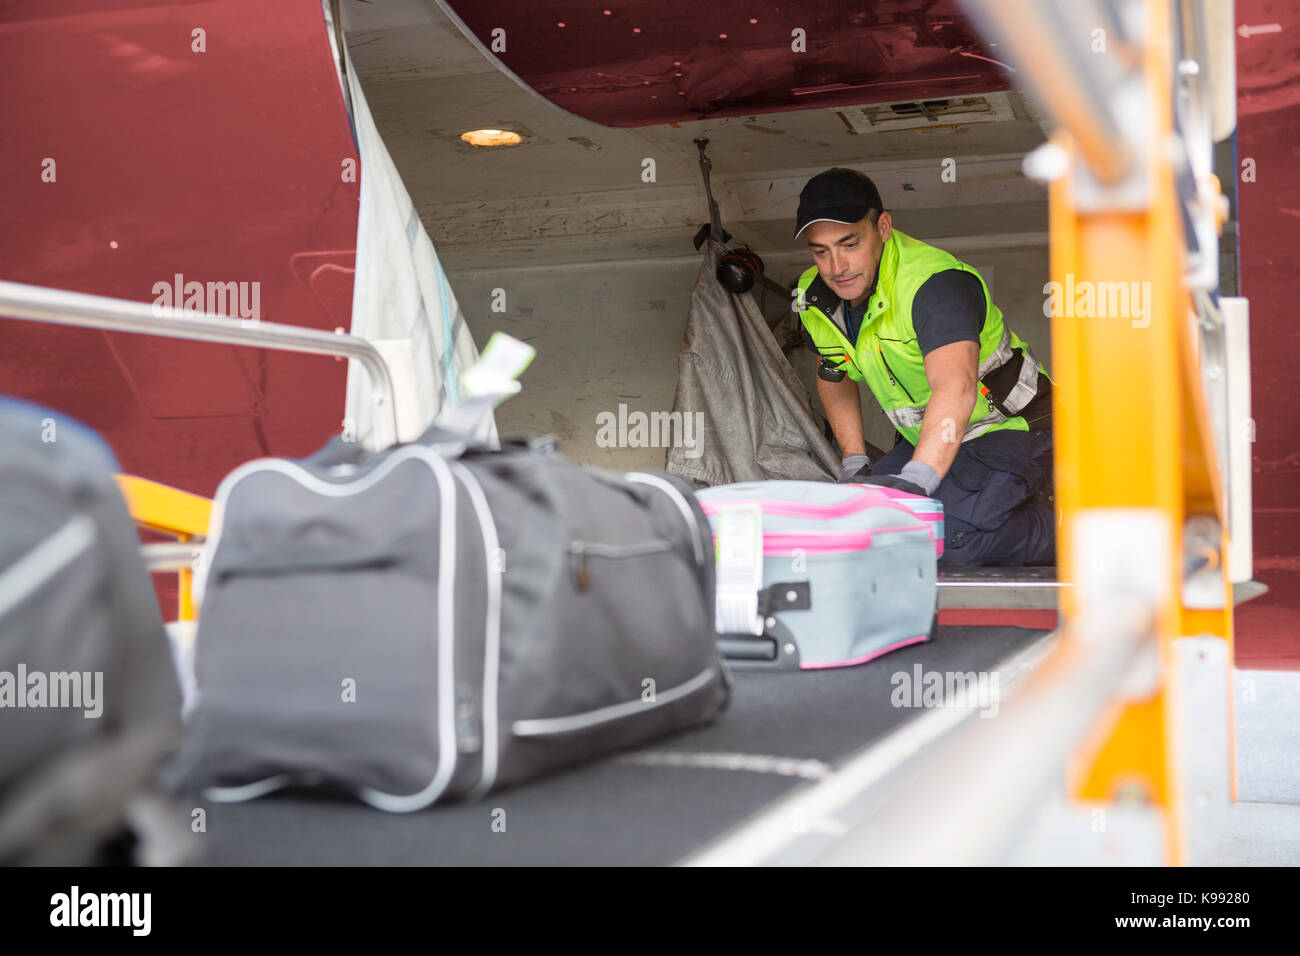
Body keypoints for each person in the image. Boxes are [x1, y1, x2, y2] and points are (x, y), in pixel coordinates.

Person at [792, 167, 1055, 567]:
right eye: (820, 251)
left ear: (882, 227)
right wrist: (854, 461)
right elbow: (833, 373)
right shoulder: (816, 297)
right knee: (865, 532)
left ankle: (1064, 528)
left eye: (849, 244)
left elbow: (956, 387)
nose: (836, 267)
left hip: (1015, 429)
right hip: (932, 438)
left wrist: (918, 481)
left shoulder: (933, 285)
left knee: (945, 542)